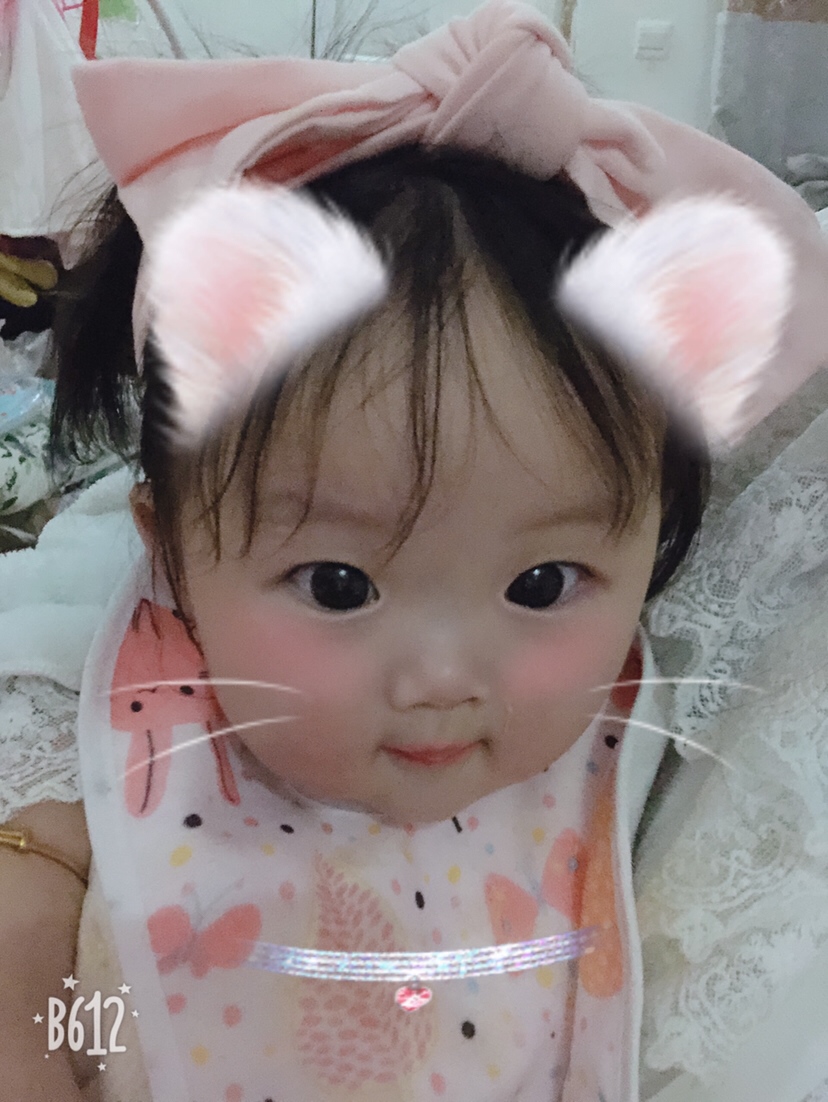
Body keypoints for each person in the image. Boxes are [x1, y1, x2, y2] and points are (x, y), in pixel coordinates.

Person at [1, 2, 826, 1100]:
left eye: (541, 584)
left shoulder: (642, 755)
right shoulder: (121, 693)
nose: (443, 677)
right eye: (339, 585)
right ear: (172, 562)